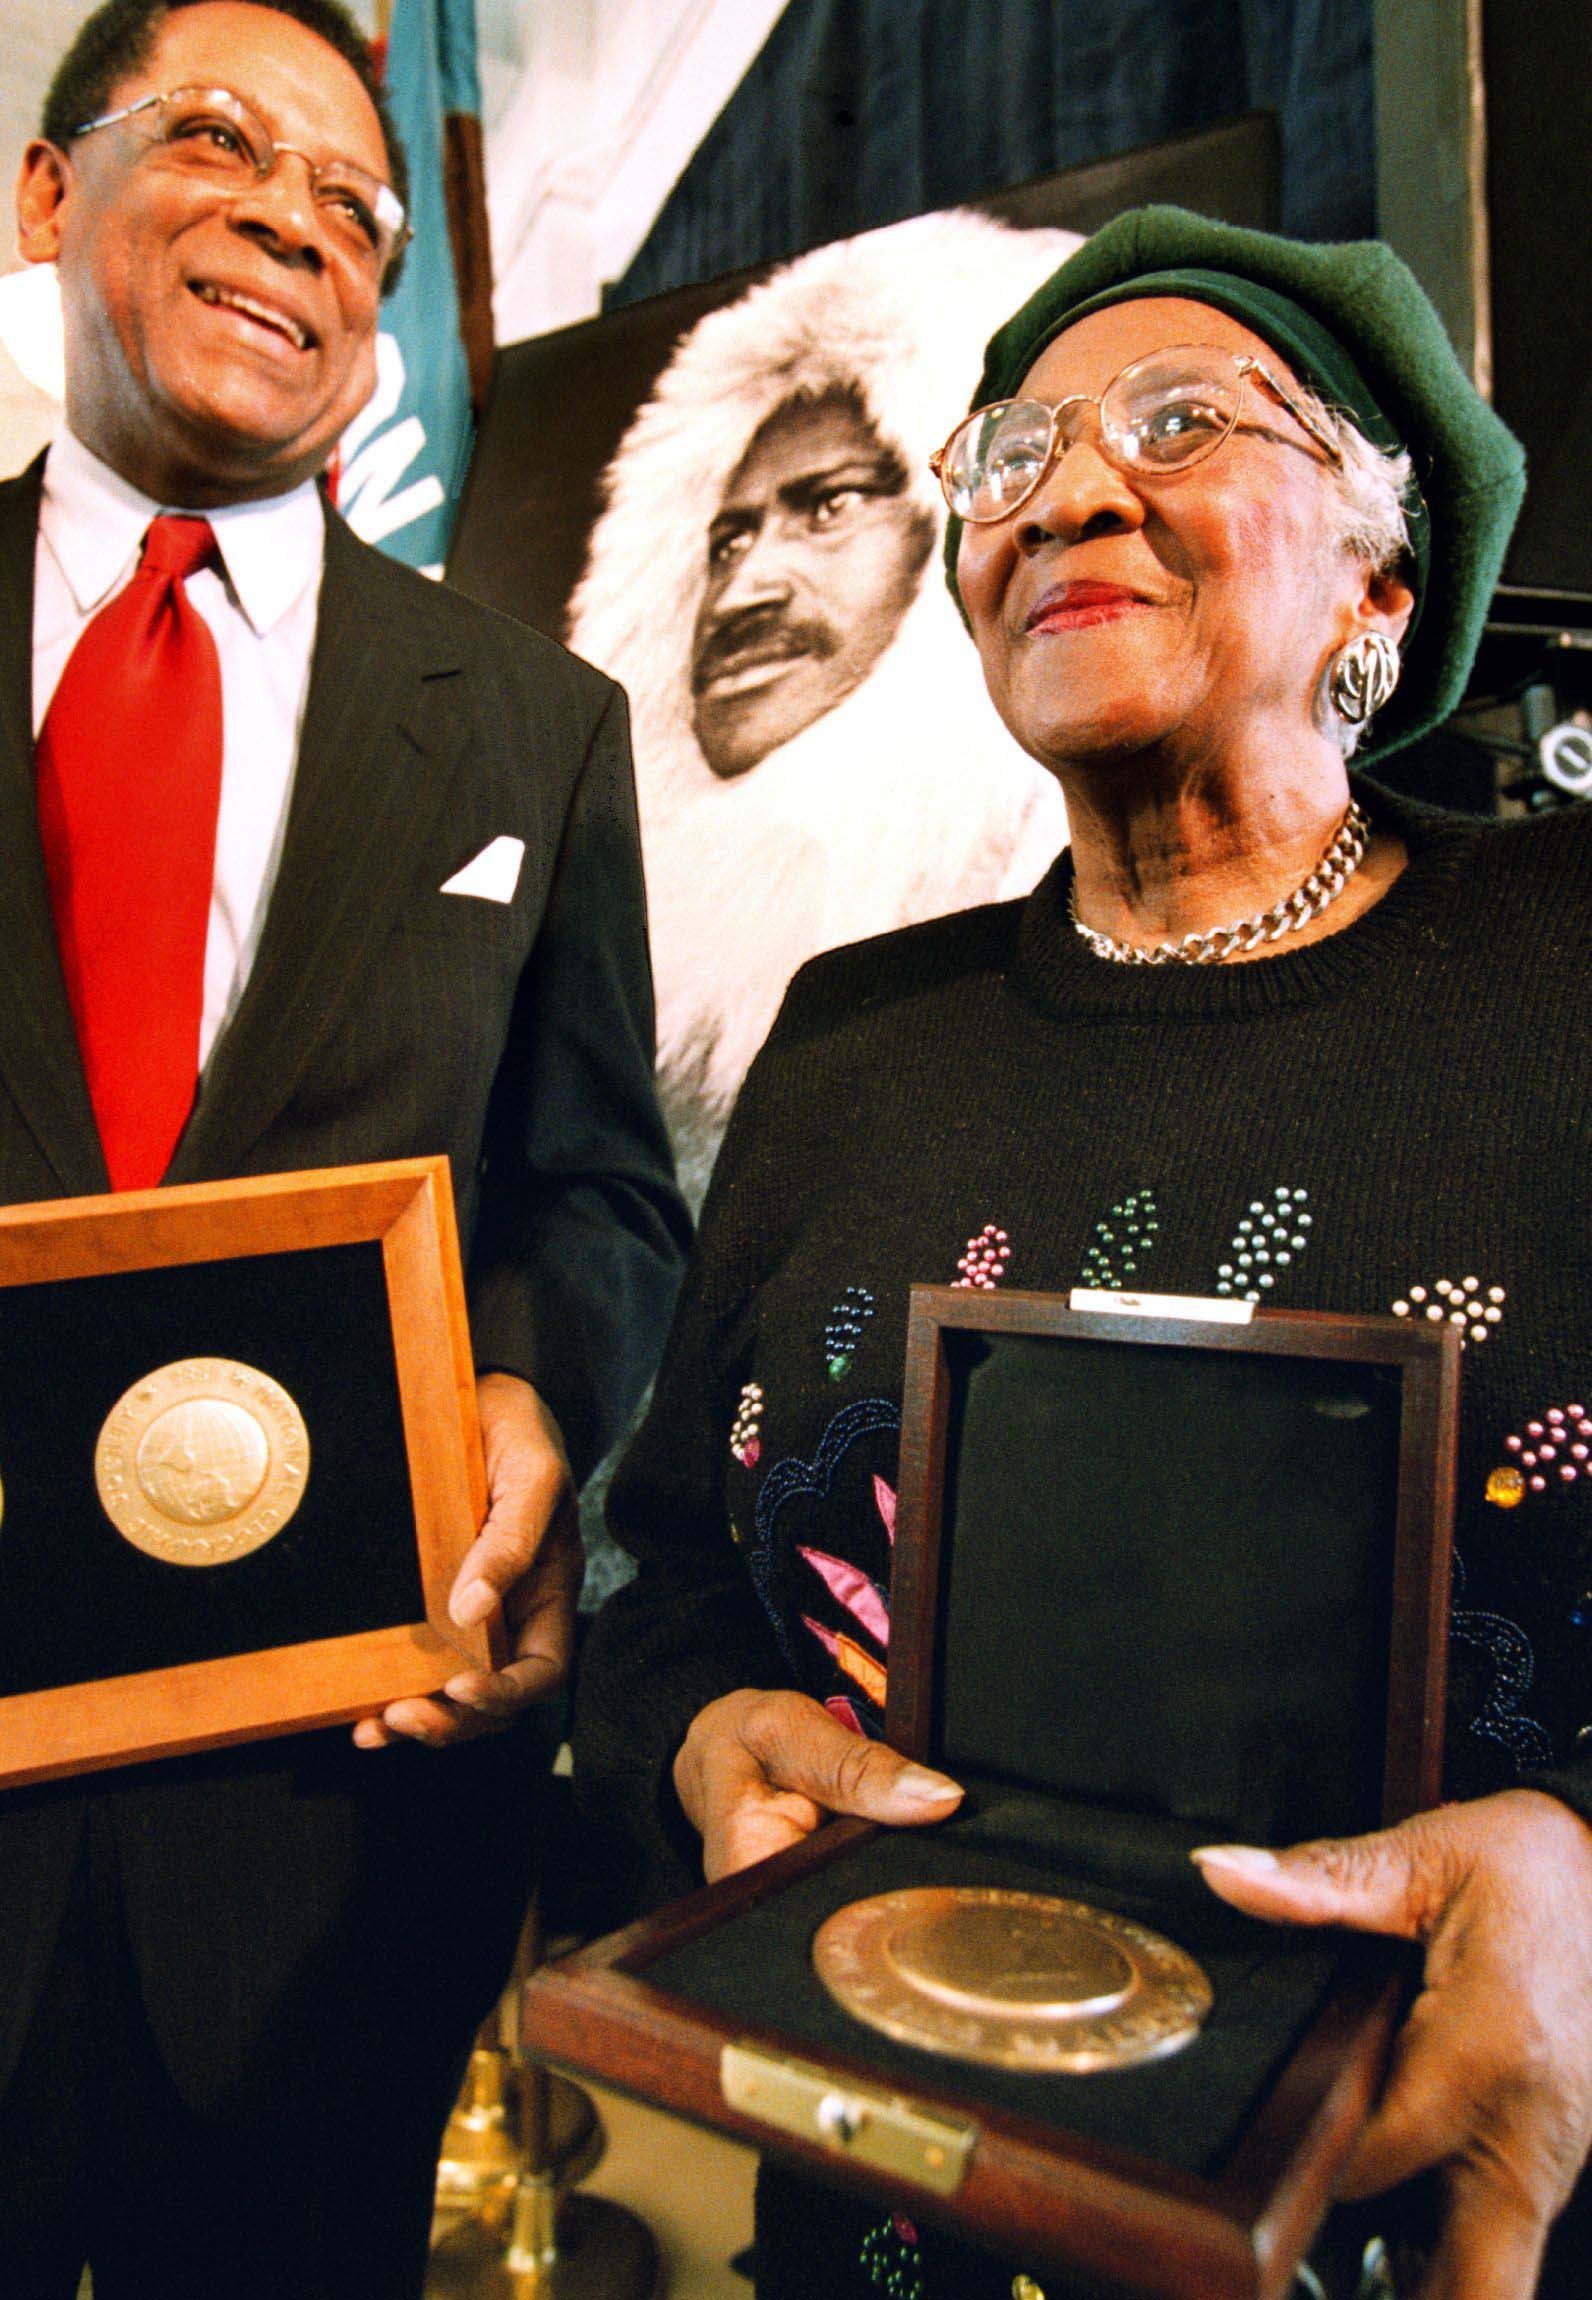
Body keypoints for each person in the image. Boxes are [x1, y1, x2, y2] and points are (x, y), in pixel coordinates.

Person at [576, 205, 1592, 2300]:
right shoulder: (856, 1033)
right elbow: (665, 1570)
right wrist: (704, 1735)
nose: (1070, 489)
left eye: (1180, 419)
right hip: (887, 2216)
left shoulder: (1563, 964)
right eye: (1008, 452)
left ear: (1378, 580)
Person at [0, 3, 687, 2295]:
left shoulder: (534, 724)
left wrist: (531, 1393)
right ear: (40, 189)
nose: (301, 215)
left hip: (332, 1826)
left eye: (362, 205)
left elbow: (599, 1186)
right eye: (217, 139)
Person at [566, 210, 1074, 1208]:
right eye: (723, 541)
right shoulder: (610, 1000)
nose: (741, 588)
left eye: (830, 505)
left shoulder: (1057, 933)